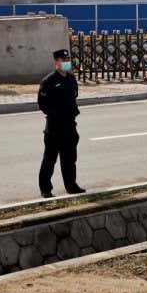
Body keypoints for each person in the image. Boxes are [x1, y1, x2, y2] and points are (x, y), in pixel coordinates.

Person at [38, 48, 86, 198]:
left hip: (70, 125)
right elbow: (42, 104)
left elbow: (74, 97)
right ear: (56, 62)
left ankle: (71, 185)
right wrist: (56, 114)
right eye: (63, 60)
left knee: (70, 158)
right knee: (50, 159)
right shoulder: (48, 81)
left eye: (67, 60)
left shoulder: (71, 78)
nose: (66, 63)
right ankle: (45, 189)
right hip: (54, 127)